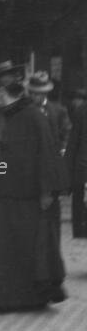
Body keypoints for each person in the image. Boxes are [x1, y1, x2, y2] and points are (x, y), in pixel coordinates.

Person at [0, 61, 67, 311]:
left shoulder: (34, 117)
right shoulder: (0, 116)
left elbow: (48, 155)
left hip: (27, 200)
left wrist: (47, 192)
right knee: (2, 249)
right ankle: (3, 298)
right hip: (0, 198)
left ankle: (27, 299)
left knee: (26, 250)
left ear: (1, 92)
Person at [65, 94, 87, 238]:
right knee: (79, 195)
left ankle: (79, 229)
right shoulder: (81, 112)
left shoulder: (81, 111)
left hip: (81, 161)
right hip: (82, 162)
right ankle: (79, 229)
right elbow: (73, 142)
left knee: (79, 196)